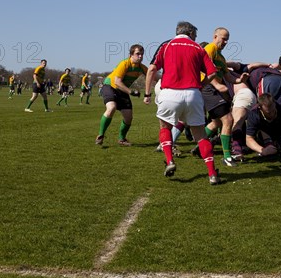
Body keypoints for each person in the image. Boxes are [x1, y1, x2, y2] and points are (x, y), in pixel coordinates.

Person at [144, 21, 222, 185]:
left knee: (165, 127)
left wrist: (147, 93)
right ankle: (212, 174)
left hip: (169, 93)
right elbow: (213, 72)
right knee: (200, 135)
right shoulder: (198, 48)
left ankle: (170, 160)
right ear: (191, 33)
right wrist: (200, 86)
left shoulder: (166, 45)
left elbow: (151, 69)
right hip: (193, 94)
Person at [201, 27, 249, 167]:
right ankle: (227, 157)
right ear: (215, 36)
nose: (226, 42)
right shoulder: (210, 48)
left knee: (218, 122)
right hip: (208, 88)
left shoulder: (221, 57)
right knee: (228, 119)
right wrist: (216, 84)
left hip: (214, 88)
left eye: (227, 39)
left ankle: (200, 144)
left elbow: (228, 76)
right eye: (223, 38)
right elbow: (203, 68)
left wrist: (240, 79)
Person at [95, 44, 147, 147]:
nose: (140, 56)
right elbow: (117, 82)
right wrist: (131, 92)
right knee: (111, 108)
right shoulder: (124, 64)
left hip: (123, 91)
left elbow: (152, 75)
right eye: (137, 54)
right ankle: (100, 135)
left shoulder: (141, 68)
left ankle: (122, 139)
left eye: (142, 54)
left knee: (128, 117)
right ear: (131, 55)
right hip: (110, 86)